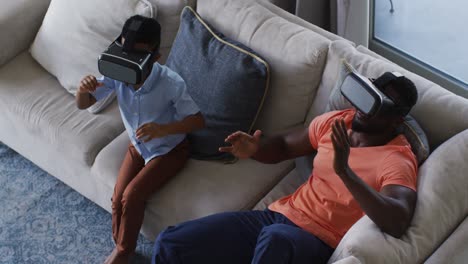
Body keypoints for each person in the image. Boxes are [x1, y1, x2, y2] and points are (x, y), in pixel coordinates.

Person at [151, 73, 419, 264]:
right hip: (277, 218)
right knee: (172, 243)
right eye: (367, 98)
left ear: (396, 119)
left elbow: (396, 221)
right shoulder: (338, 121)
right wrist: (256, 149)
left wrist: (345, 172)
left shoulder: (396, 159)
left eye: (377, 106)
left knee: (275, 240)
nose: (363, 110)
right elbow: (283, 146)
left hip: (318, 241)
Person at [75, 15, 205, 264]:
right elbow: (85, 104)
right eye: (125, 53)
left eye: (136, 57)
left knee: (132, 195)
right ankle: (120, 243)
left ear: (155, 57)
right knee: (117, 197)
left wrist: (163, 129)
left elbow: (198, 121)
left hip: (170, 149)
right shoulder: (119, 73)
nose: (127, 63)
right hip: (138, 146)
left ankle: (123, 251)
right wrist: (82, 91)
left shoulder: (170, 83)